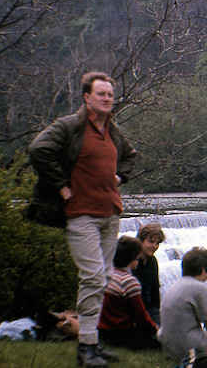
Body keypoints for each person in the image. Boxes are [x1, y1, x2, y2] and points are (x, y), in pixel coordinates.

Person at [28, 71, 137, 368]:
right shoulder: (71, 126)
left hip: (110, 214)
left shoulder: (112, 130)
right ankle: (86, 349)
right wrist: (62, 188)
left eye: (110, 95)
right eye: (101, 94)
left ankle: (91, 343)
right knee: (91, 277)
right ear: (87, 97)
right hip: (81, 216)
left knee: (101, 280)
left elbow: (129, 155)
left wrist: (119, 176)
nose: (106, 99)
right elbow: (38, 149)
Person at [98, 236, 161, 349]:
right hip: (122, 334)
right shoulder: (129, 282)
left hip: (103, 331)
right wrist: (156, 329)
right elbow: (142, 317)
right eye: (137, 257)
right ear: (131, 259)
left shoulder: (108, 275)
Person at [132, 223, 166, 325]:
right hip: (133, 311)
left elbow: (155, 290)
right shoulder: (131, 261)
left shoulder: (152, 261)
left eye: (157, 243)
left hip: (150, 309)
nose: (154, 246)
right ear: (141, 241)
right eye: (151, 242)